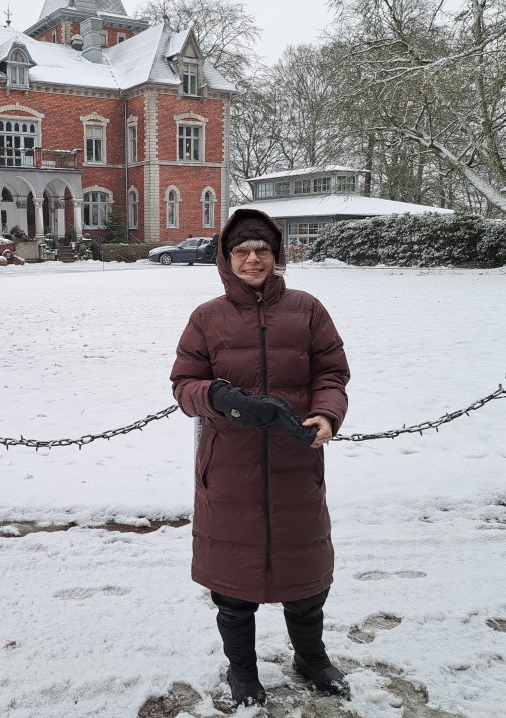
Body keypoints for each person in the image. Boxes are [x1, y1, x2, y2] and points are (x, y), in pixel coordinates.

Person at [170, 208, 351, 706]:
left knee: (306, 579)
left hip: (297, 459)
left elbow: (332, 372)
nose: (253, 259)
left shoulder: (307, 309)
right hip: (230, 466)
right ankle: (243, 672)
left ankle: (311, 658)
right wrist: (220, 396)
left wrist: (327, 414)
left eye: (262, 250)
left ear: (276, 255)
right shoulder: (206, 317)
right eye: (242, 251)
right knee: (233, 587)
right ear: (227, 259)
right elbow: (183, 385)